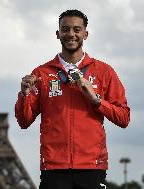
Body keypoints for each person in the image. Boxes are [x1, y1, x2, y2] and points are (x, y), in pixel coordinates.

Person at [14, 9, 130, 189]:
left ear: (86, 34)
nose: (71, 34)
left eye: (76, 29)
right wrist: (24, 95)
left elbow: (124, 118)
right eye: (65, 29)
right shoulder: (41, 74)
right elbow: (23, 121)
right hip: (53, 167)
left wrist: (96, 100)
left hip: (92, 166)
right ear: (58, 33)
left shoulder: (104, 72)